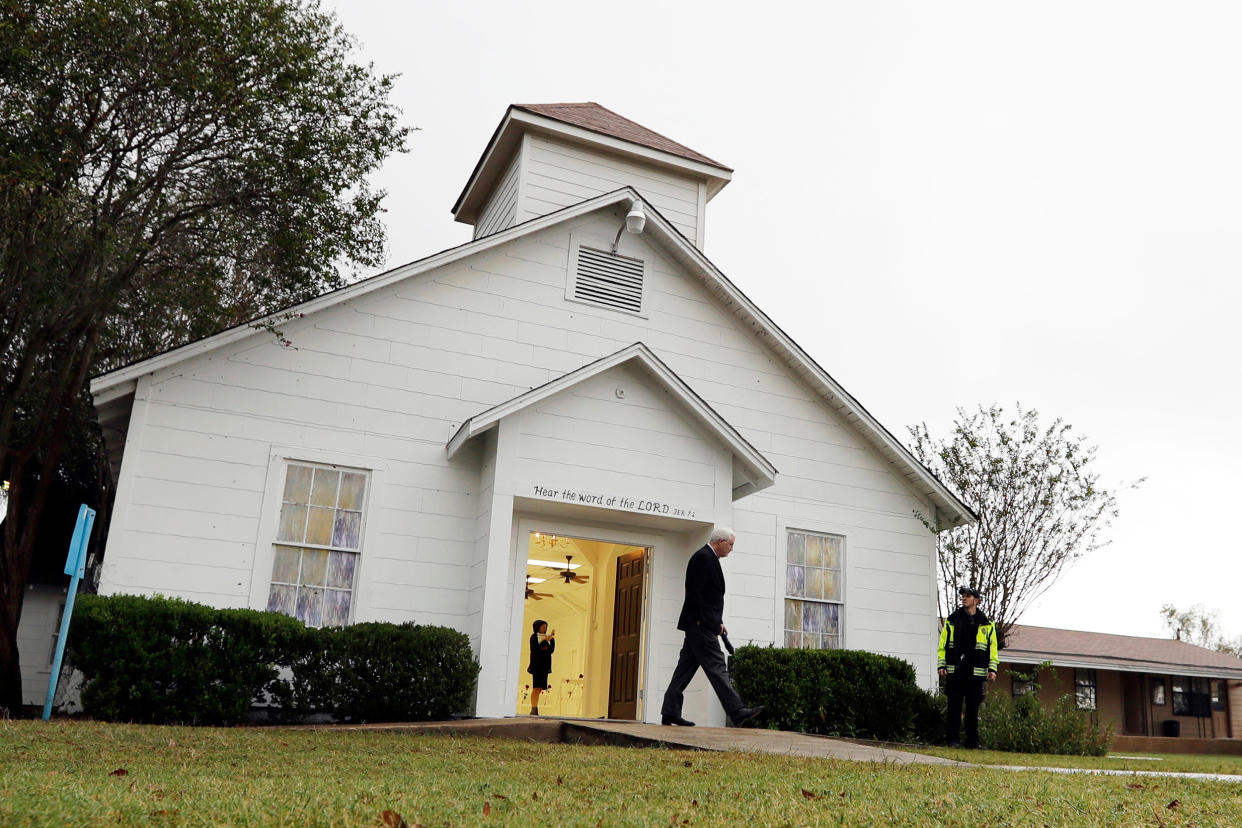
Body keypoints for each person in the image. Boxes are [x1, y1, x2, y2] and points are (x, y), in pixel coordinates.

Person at [660, 526, 764, 728]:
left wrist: (719, 621)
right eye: (731, 544)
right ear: (719, 542)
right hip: (701, 626)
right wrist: (709, 622)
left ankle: (670, 711)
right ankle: (738, 711)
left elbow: (709, 597)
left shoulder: (707, 558)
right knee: (717, 666)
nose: (732, 549)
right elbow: (696, 595)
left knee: (685, 669)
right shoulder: (703, 558)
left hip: (700, 624)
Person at [937, 586, 998, 748]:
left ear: (976, 601)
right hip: (956, 671)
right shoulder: (952, 620)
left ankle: (972, 742)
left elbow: (992, 649)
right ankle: (953, 741)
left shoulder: (987, 624)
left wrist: (992, 669)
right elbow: (942, 645)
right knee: (954, 708)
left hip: (976, 674)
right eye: (963, 596)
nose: (964, 598)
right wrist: (941, 664)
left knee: (973, 710)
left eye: (968, 596)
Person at [527, 619, 555, 715]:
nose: (545, 629)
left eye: (545, 627)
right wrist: (544, 641)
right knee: (536, 688)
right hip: (537, 666)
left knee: (539, 689)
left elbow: (550, 650)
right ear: (538, 627)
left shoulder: (544, 638)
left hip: (544, 667)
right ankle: (533, 708)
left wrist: (552, 640)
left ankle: (535, 708)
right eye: (543, 627)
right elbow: (536, 650)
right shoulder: (534, 637)